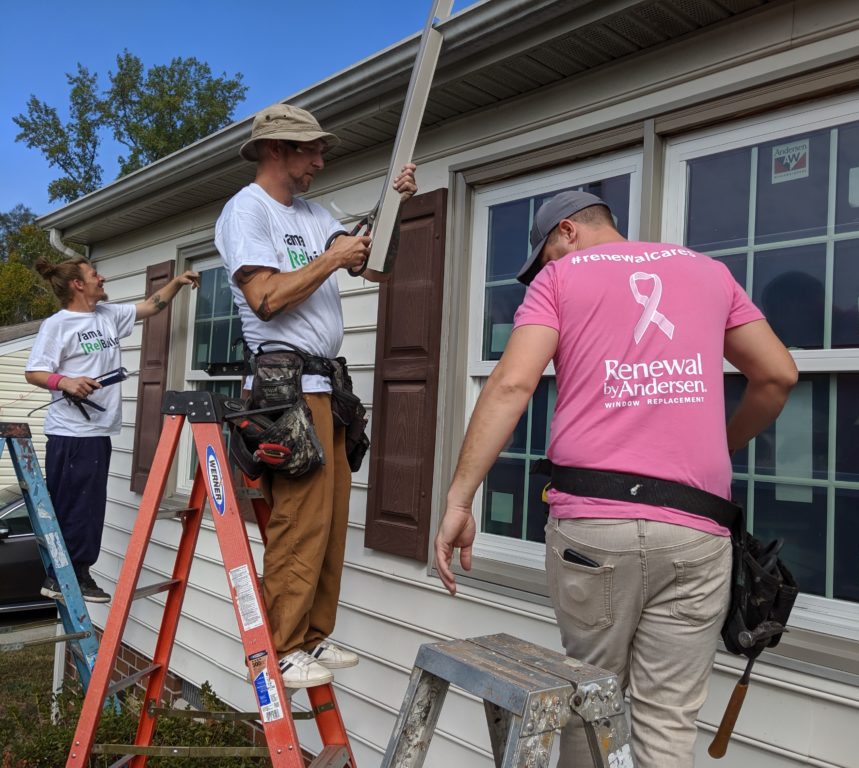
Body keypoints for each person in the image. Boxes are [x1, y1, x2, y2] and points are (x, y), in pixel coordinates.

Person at [434, 191, 797, 767]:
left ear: (569, 231)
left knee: (591, 703)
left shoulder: (560, 282)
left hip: (594, 530)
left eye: (546, 254)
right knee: (668, 724)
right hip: (698, 529)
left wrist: (459, 498)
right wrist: (714, 451)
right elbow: (777, 375)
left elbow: (511, 386)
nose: (546, 269)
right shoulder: (709, 273)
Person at [214, 103, 417, 689]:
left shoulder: (314, 213)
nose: (320, 161)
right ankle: (279, 647)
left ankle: (310, 638)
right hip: (285, 390)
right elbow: (266, 299)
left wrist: (395, 208)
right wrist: (331, 258)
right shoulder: (246, 212)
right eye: (311, 151)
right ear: (277, 149)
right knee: (299, 524)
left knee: (329, 524)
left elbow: (374, 270)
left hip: (327, 386)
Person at [26, 257, 199, 603]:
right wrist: (67, 382)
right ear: (77, 284)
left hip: (97, 432)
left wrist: (178, 282)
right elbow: (35, 372)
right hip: (72, 433)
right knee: (77, 507)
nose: (101, 278)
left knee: (87, 507)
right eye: (94, 275)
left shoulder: (107, 316)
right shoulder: (58, 326)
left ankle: (69, 573)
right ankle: (67, 575)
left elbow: (152, 305)